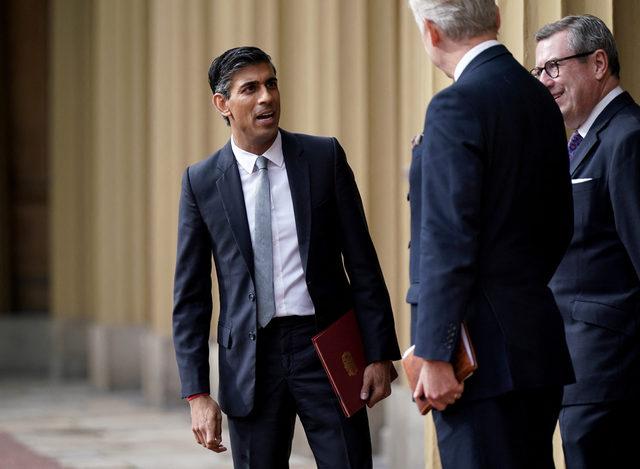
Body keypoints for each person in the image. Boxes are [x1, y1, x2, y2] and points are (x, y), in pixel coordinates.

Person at [172, 46, 400, 469]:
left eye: (271, 83)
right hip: (251, 361)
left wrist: (378, 352)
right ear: (222, 104)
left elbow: (363, 261)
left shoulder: (322, 158)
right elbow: (190, 297)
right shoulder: (201, 183)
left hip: (325, 346)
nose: (266, 98)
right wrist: (197, 393)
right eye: (251, 89)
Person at [406, 1, 575, 467]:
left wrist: (437, 354)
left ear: (432, 32)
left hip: (475, 360)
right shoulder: (539, 96)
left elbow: (447, 239)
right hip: (535, 343)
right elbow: (561, 223)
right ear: (497, 17)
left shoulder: (454, 104)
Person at [534, 15, 640, 469]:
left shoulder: (628, 137)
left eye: (553, 67)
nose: (544, 82)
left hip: (610, 373)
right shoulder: (578, 143)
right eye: (538, 72)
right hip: (579, 370)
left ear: (598, 63)